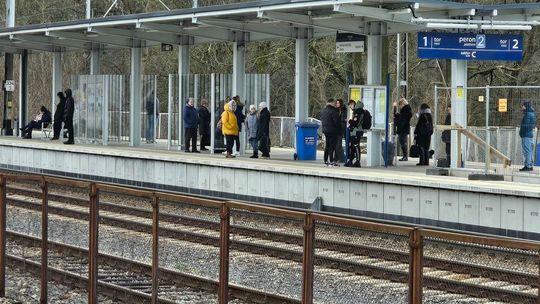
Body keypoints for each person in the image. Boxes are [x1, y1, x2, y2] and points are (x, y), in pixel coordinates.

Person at [320, 99, 341, 167]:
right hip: (333, 131)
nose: (335, 104)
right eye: (334, 103)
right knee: (332, 146)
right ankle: (331, 161)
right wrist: (339, 130)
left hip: (325, 130)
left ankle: (325, 161)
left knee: (327, 146)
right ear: (332, 103)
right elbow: (336, 122)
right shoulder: (334, 111)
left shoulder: (324, 110)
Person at [345, 100, 364, 167]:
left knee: (356, 146)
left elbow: (356, 123)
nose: (350, 107)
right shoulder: (358, 111)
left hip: (357, 131)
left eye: (350, 105)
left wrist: (349, 121)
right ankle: (351, 160)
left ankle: (358, 161)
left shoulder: (358, 112)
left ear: (353, 104)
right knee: (353, 146)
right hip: (355, 131)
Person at [519, 101, 536, 172]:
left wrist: (521, 133)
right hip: (529, 135)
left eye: (522, 106)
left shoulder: (527, 114)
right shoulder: (531, 113)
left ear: (525, 106)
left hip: (526, 135)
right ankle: (530, 165)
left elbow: (525, 126)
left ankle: (528, 165)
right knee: (529, 150)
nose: (522, 107)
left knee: (527, 150)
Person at [335, 99, 347, 163]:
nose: (337, 104)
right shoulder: (335, 110)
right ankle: (340, 157)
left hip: (343, 128)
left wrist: (344, 120)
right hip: (337, 128)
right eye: (336, 103)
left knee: (339, 144)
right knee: (337, 144)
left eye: (338, 103)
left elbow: (345, 118)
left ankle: (342, 158)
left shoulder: (344, 110)